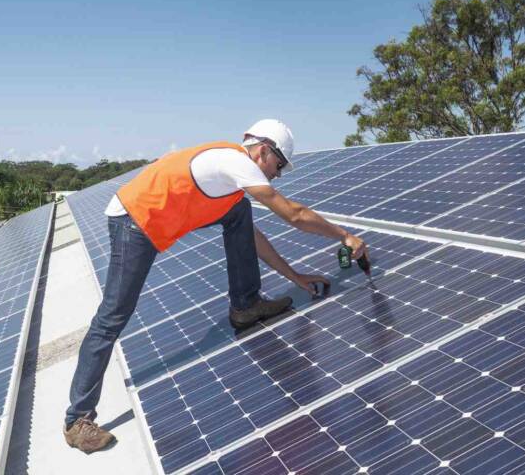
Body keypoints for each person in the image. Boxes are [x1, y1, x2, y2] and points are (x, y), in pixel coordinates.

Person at [63, 119, 368, 453]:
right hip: (134, 221)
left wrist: (295, 276)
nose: (278, 174)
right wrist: (344, 235)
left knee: (240, 213)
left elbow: (252, 238)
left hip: (155, 217)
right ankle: (77, 420)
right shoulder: (236, 162)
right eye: (279, 165)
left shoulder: (230, 183)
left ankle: (246, 305)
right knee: (113, 315)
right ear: (263, 151)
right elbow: (293, 215)